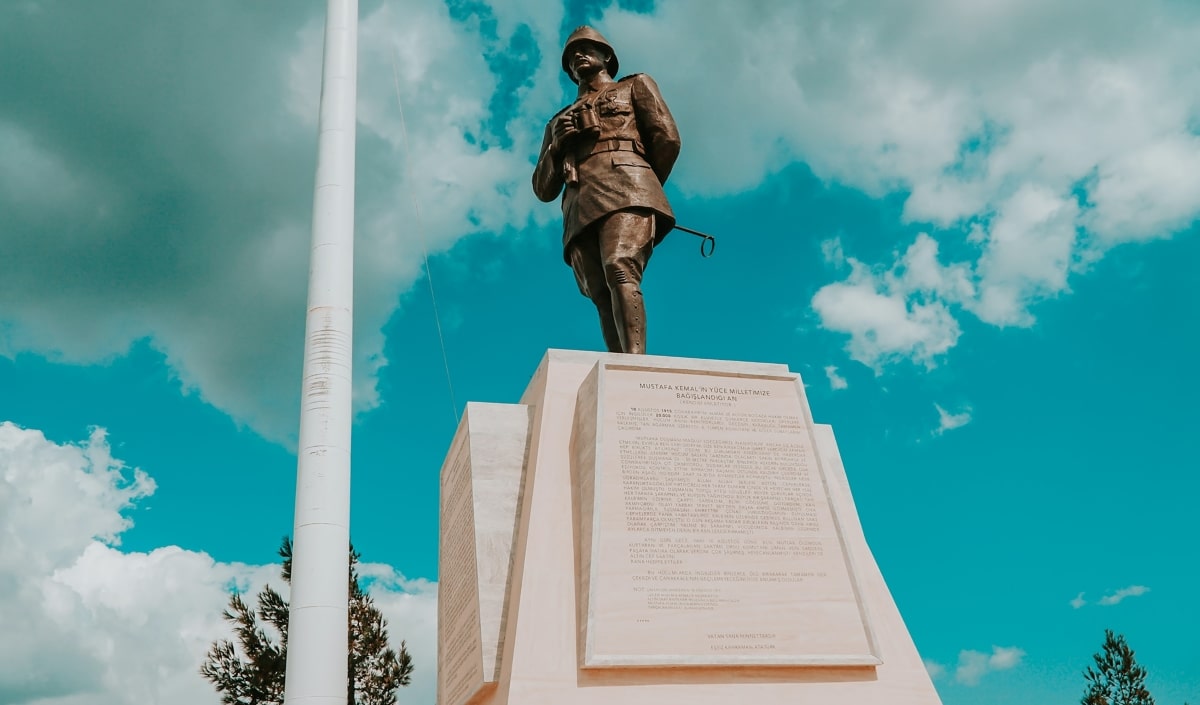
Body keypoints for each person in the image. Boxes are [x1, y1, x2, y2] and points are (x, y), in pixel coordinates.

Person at [533, 26, 681, 354]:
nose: (577, 58)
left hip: (628, 186)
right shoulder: (557, 122)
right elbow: (543, 188)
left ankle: (635, 364)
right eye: (571, 57)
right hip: (579, 201)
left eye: (585, 50)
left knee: (619, 264)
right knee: (598, 291)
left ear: (606, 57)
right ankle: (619, 367)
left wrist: (641, 182)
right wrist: (557, 148)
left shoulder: (635, 85)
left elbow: (667, 137)